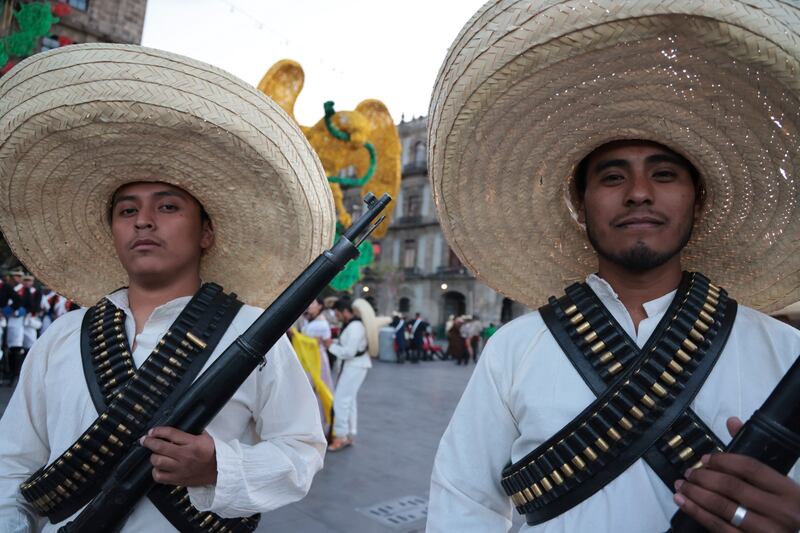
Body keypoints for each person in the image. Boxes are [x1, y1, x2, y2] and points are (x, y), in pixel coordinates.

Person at [425, 3, 800, 532]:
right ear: (581, 208)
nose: (639, 194)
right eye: (612, 177)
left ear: (700, 201)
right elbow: (461, 502)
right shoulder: (514, 349)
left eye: (664, 174)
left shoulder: (785, 354)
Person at [0, 43, 336, 531]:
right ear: (113, 231)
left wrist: (219, 466)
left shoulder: (254, 334)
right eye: (127, 210)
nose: (144, 222)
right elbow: (13, 465)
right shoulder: (63, 337)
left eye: (168, 206)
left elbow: (302, 451)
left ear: (206, 232)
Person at [325, 296, 370, 451]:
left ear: (344, 311)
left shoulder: (355, 327)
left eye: (337, 313)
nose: (336, 317)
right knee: (349, 401)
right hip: (355, 365)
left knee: (340, 401)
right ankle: (350, 433)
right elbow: (347, 345)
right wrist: (335, 343)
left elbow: (349, 352)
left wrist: (331, 346)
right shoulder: (351, 325)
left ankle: (341, 436)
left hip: (355, 366)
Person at [301, 297, 336, 435]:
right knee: (311, 390)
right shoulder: (312, 320)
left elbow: (327, 343)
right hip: (309, 359)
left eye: (313, 303)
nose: (309, 305)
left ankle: (318, 425)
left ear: (320, 306)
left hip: (317, 360)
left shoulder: (321, 324)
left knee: (316, 390)